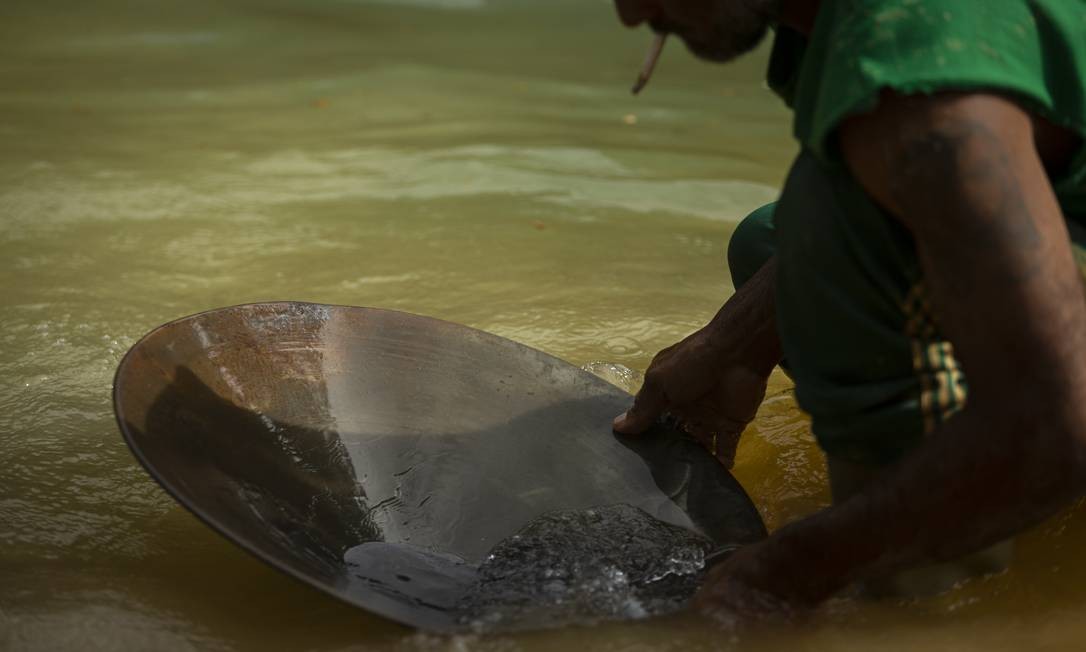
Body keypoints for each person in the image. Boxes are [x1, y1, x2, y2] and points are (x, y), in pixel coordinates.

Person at [610, 0, 1086, 619]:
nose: (629, 14)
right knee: (778, 241)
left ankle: (928, 602)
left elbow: (1057, 424)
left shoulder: (922, 85)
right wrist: (735, 344)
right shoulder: (858, 30)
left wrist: (787, 574)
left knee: (847, 279)